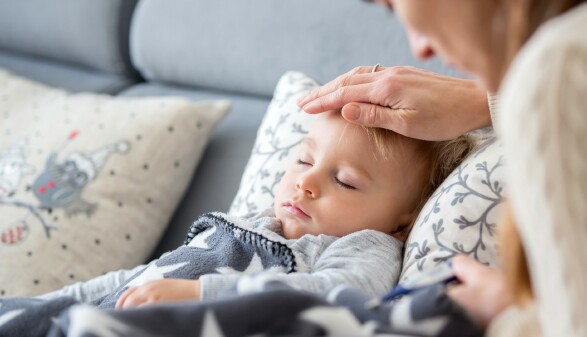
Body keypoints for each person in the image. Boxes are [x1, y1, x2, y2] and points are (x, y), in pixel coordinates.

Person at [298, 0, 587, 336]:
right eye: (302, 160)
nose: (419, 48)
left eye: (393, 4)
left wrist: (505, 314)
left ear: (402, 225)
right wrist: (486, 100)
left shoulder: (558, 73)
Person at [36, 111, 474, 311]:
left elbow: (339, 294)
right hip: (107, 310)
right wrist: (52, 303)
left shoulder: (364, 247)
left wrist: (202, 296)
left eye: (345, 181)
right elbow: (139, 277)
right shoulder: (250, 222)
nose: (306, 182)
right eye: (304, 161)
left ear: (401, 224)